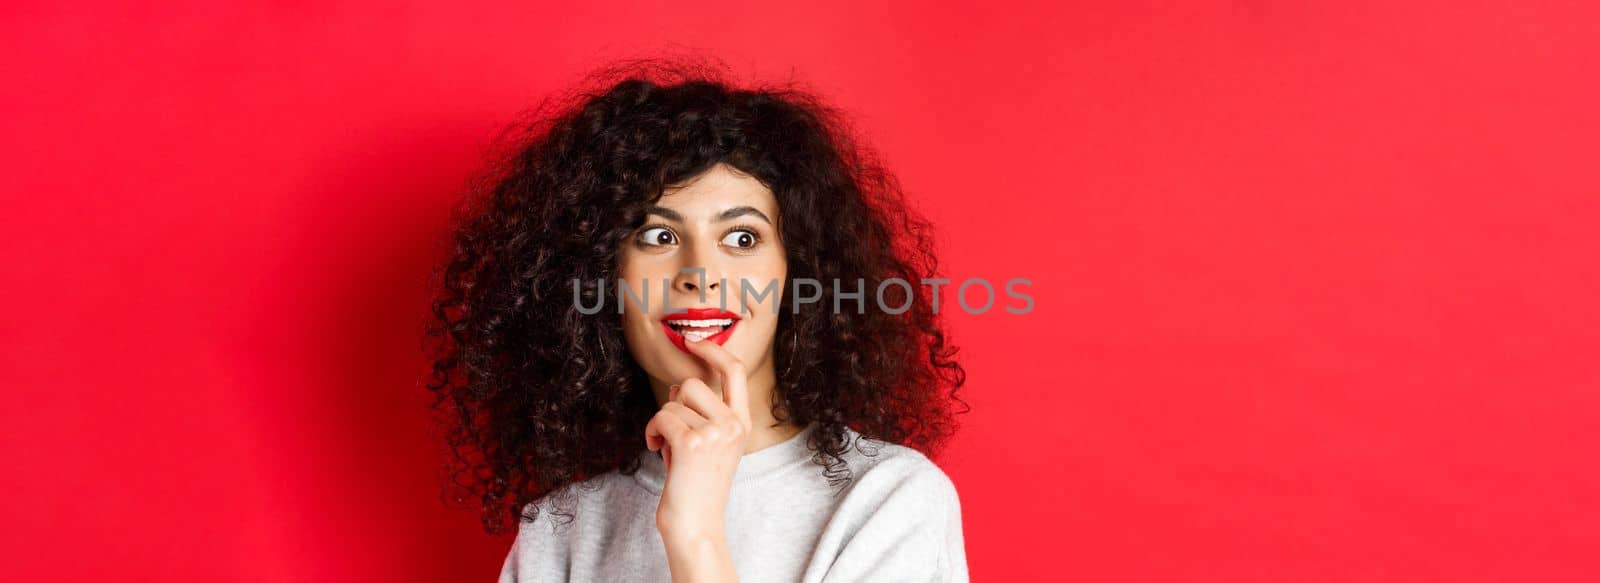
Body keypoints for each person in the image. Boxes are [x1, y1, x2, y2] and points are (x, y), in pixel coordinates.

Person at [423, 60, 970, 582]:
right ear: (601, 278)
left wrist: (696, 535)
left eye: (742, 238)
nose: (701, 275)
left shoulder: (888, 500)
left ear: (797, 275)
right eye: (658, 237)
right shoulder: (560, 528)